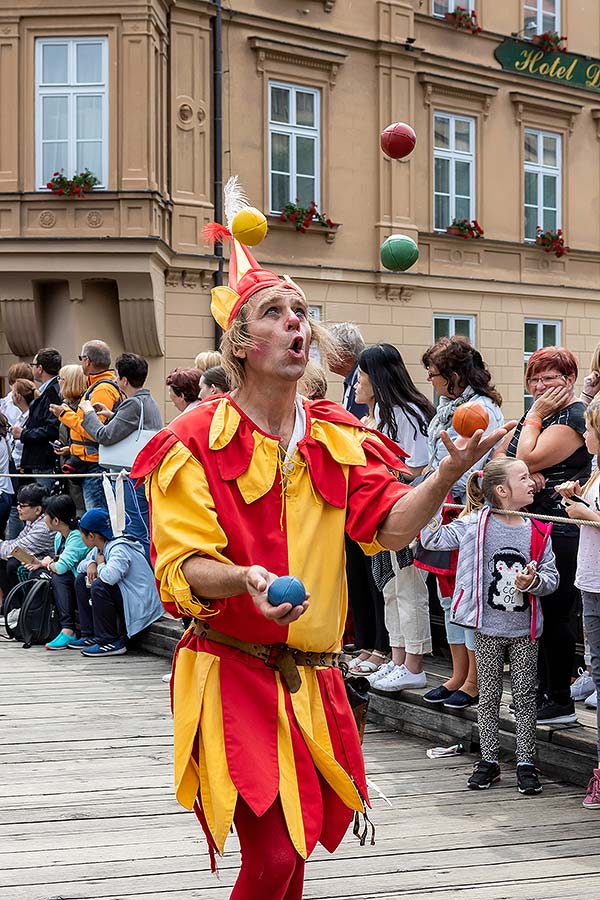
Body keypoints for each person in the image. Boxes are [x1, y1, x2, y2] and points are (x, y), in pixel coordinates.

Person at [130, 201, 510, 898]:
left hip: (315, 677)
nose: (296, 322)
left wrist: (447, 474)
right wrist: (245, 578)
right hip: (232, 671)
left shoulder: (335, 434)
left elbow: (391, 526)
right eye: (276, 311)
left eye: (301, 311)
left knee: (295, 853)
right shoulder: (193, 439)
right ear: (240, 341)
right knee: (272, 858)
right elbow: (181, 567)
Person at [421, 458, 558, 795]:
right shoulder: (473, 525)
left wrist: (534, 581)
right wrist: (437, 492)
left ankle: (526, 762)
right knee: (489, 697)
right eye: (523, 477)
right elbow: (432, 539)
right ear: (501, 490)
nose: (532, 482)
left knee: (524, 697)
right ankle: (489, 761)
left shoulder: (538, 530)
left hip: (524, 631)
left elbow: (552, 578)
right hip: (487, 628)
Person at [497, 347, 592, 725]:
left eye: (549, 377)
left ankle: (559, 700)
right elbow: (504, 462)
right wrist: (521, 463)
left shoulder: (573, 416)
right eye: (534, 378)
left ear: (569, 380)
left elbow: (529, 459)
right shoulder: (539, 416)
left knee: (554, 613)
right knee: (531, 613)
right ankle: (534, 694)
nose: (540, 385)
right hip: (532, 524)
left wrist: (533, 421)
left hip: (562, 526)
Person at [420, 336, 504, 710]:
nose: (429, 379)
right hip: (445, 505)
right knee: (447, 595)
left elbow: (484, 464)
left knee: (465, 594)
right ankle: (457, 673)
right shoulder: (447, 407)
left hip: (469, 507)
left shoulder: (480, 409)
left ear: (453, 375)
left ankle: (475, 681)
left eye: (434, 373)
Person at [353, 343, 436, 691]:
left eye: (362, 375)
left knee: (407, 586)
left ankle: (413, 661)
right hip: (380, 510)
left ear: (377, 376)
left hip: (402, 508)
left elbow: (416, 465)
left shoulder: (406, 413)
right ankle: (397, 656)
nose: (357, 382)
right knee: (387, 583)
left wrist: (383, 481)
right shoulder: (378, 414)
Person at [556, 399, 600, 807]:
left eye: (588, 429)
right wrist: (577, 497)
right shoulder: (595, 471)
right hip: (592, 582)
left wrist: (582, 511)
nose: (582, 436)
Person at [78, 352, 162, 551]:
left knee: (136, 529)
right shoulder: (146, 400)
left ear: (124, 380)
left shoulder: (133, 403)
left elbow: (104, 436)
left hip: (131, 475)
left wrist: (88, 413)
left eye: (117, 377)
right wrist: (112, 415)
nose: (116, 380)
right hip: (141, 473)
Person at [72, 507, 163, 656]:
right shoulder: (101, 546)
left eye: (82, 533)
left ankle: (109, 641)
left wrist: (99, 565)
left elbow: (110, 577)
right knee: (82, 579)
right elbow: (82, 565)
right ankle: (89, 635)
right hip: (128, 599)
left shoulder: (119, 547)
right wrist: (91, 564)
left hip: (141, 605)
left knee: (99, 585)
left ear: (92, 535)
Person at [49, 341, 121, 511]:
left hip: (95, 465)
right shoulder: (96, 386)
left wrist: (64, 414)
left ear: (87, 361)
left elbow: (93, 431)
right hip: (90, 462)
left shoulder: (102, 390)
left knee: (97, 521)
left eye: (81, 358)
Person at [23, 494, 88, 650]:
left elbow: (60, 567)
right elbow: (58, 561)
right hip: (72, 581)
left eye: (46, 515)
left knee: (60, 577)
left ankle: (68, 629)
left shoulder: (77, 537)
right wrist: (41, 564)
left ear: (56, 521)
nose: (44, 519)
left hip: (82, 584)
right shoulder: (60, 536)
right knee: (35, 574)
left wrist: (47, 563)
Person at [12, 347, 61, 478]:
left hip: (44, 462)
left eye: (33, 365)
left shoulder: (53, 393)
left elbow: (51, 429)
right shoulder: (49, 390)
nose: (32, 368)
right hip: (39, 461)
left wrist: (23, 434)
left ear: (40, 368)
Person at [0, 484, 54, 602]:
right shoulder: (33, 520)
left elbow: (14, 550)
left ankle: (22, 607)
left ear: (38, 509)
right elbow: (17, 541)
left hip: (47, 566)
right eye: (18, 504)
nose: (18, 508)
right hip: (37, 559)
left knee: (13, 564)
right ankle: (11, 606)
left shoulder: (42, 527)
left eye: (22, 505)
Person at [54, 364, 88, 515]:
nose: (58, 382)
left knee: (82, 509)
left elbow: (88, 434)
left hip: (81, 465)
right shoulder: (65, 405)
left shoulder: (84, 406)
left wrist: (70, 448)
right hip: (67, 465)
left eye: (61, 379)